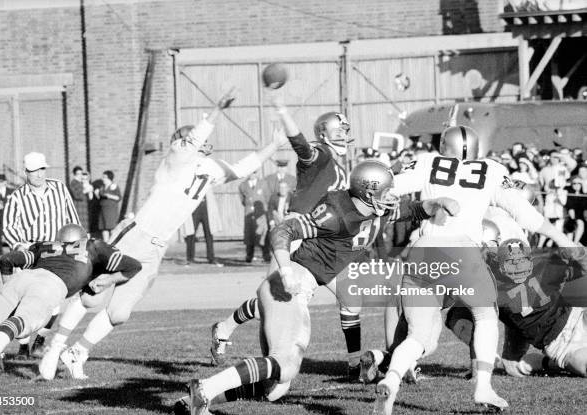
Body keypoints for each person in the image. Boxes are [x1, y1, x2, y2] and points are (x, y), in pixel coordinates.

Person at [38, 88, 287, 380]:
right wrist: (217, 109)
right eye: (199, 140)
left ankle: (77, 352)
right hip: (137, 234)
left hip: (156, 247)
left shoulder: (208, 169)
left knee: (119, 313)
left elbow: (244, 167)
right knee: (93, 294)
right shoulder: (176, 159)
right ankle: (55, 346)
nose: (207, 144)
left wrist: (273, 144)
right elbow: (193, 138)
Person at [174, 160, 459, 415]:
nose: (390, 198)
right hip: (289, 288)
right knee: (286, 364)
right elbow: (282, 231)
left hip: (298, 288)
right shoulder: (337, 213)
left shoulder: (376, 209)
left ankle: (191, 404)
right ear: (368, 193)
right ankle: (204, 389)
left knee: (275, 388)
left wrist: (439, 203)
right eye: (384, 193)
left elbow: (416, 209)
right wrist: (285, 272)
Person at [373, 126, 576, 415]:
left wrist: (382, 195)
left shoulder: (428, 161)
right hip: (461, 248)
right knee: (486, 315)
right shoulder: (491, 169)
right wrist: (564, 240)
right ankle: (483, 386)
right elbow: (526, 214)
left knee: (417, 336)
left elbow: (387, 186)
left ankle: (392, 379)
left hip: (423, 248)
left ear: (446, 145)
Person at [211, 94, 364, 374]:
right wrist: (283, 111)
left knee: (350, 297)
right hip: (296, 234)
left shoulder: (339, 167)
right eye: (338, 131)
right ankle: (235, 339)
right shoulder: (321, 155)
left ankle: (355, 365)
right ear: (324, 134)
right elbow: (302, 147)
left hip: (321, 240)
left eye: (346, 131)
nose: (344, 135)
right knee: (277, 302)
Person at [0, 224, 141, 374]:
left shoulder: (45, 246)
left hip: (21, 279)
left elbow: (7, 259)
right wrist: (107, 280)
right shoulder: (94, 246)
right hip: (51, 285)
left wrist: (7, 286)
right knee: (27, 320)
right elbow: (134, 266)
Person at [445, 240, 587, 378]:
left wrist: (577, 253)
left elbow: (581, 266)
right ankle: (548, 363)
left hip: (578, 319)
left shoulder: (542, 265)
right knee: (513, 366)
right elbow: (461, 319)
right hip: (559, 345)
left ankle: (547, 364)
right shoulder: (488, 289)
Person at [2, 151, 81, 358]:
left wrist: (77, 243)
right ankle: (22, 346)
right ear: (26, 172)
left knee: (54, 302)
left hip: (56, 252)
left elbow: (72, 218)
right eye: (34, 170)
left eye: (42, 169)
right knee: (24, 301)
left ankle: (39, 341)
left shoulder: (59, 188)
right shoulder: (17, 196)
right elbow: (9, 227)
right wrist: (20, 246)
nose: (39, 174)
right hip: (30, 252)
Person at [181, 191, 222, 266]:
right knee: (191, 234)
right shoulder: (193, 183)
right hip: (194, 210)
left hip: (206, 209)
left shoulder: (207, 184)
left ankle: (211, 258)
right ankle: (190, 258)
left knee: (209, 234)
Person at [238, 172, 271, 263]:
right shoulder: (243, 185)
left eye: (255, 172)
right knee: (249, 234)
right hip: (249, 213)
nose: (252, 174)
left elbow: (268, 197)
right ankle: (249, 255)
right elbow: (243, 200)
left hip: (260, 214)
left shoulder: (263, 183)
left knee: (263, 234)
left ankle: (266, 255)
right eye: (251, 172)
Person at [96, 170, 122, 242]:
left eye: (105, 177)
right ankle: (106, 244)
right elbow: (99, 198)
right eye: (103, 177)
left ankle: (114, 243)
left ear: (109, 178)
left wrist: (109, 195)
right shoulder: (102, 187)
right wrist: (97, 194)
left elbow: (118, 197)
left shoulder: (114, 186)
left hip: (111, 211)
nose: (103, 179)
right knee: (104, 228)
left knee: (111, 227)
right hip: (102, 210)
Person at [0, 174, 13, 256]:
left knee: (10, 234)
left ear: (5, 182)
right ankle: (0, 250)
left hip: (9, 217)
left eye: (2, 181)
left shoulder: (11, 191)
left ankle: (12, 250)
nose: (0, 183)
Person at [69, 166, 93, 231]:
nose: (80, 176)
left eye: (81, 173)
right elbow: (77, 195)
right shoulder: (73, 183)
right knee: (78, 229)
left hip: (83, 208)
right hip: (78, 208)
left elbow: (90, 197)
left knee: (84, 229)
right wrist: (86, 190)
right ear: (74, 175)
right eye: (78, 174)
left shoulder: (82, 183)